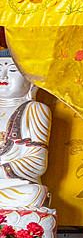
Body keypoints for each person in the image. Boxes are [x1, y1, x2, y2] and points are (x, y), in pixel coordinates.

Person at [0, 52, 51, 208]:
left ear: (31, 81)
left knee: (33, 194)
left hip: (12, 184)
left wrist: (2, 171)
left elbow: (37, 162)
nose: (3, 76)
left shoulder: (35, 110)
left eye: (13, 70)